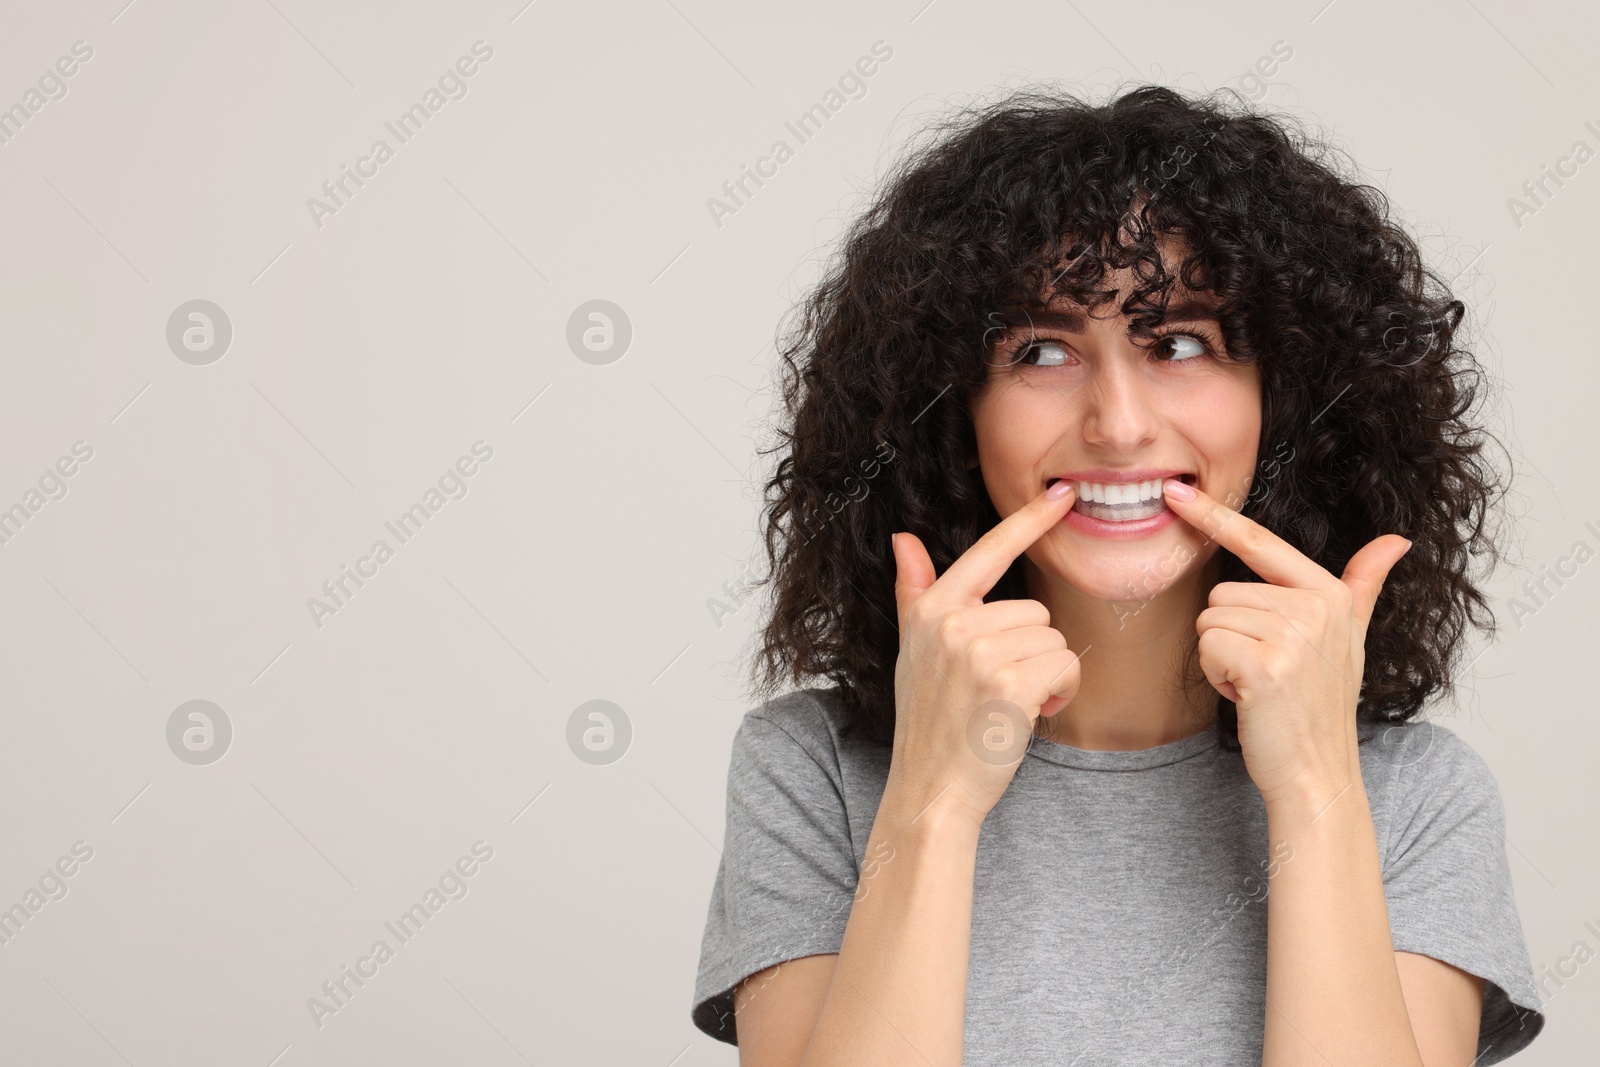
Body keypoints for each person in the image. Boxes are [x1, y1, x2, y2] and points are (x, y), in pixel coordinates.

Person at [690, 83, 1545, 1066]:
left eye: (1180, 341)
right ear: (949, 408)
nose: (1118, 422)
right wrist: (931, 797)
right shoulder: (814, 774)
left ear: (1289, 396)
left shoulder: (1416, 798)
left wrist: (1314, 787)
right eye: (1042, 348)